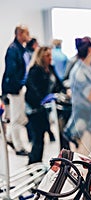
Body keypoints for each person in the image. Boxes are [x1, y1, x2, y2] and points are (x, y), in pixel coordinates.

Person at [63, 37, 91, 156]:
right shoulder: (79, 72)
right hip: (83, 123)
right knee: (83, 159)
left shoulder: (89, 69)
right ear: (89, 50)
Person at [25, 46, 65, 164]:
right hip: (34, 108)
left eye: (50, 55)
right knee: (38, 137)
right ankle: (33, 162)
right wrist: (42, 99)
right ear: (41, 56)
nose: (50, 57)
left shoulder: (50, 68)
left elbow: (58, 83)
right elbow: (32, 89)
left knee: (41, 136)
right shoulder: (35, 70)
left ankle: (36, 161)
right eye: (47, 55)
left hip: (45, 107)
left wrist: (62, 91)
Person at [1, 25, 31, 156]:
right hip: (14, 89)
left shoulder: (20, 49)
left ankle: (9, 138)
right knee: (16, 119)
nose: (28, 36)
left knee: (18, 118)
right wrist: (18, 86)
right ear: (19, 34)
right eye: (26, 33)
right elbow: (12, 72)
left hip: (17, 88)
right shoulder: (13, 50)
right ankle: (19, 147)